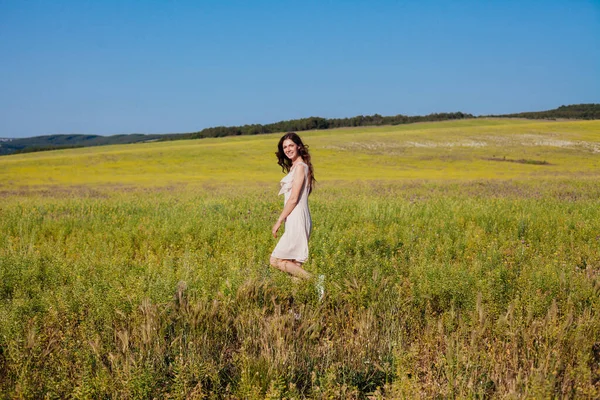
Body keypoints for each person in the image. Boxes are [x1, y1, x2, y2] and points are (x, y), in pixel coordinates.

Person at [270, 132, 315, 279]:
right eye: (285, 147)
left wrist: (279, 220)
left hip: (297, 217)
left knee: (275, 260)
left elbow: (294, 198)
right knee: (295, 266)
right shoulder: (295, 167)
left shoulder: (301, 167)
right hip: (295, 217)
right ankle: (298, 301)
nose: (288, 149)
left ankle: (315, 281)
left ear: (299, 146)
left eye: (291, 145)